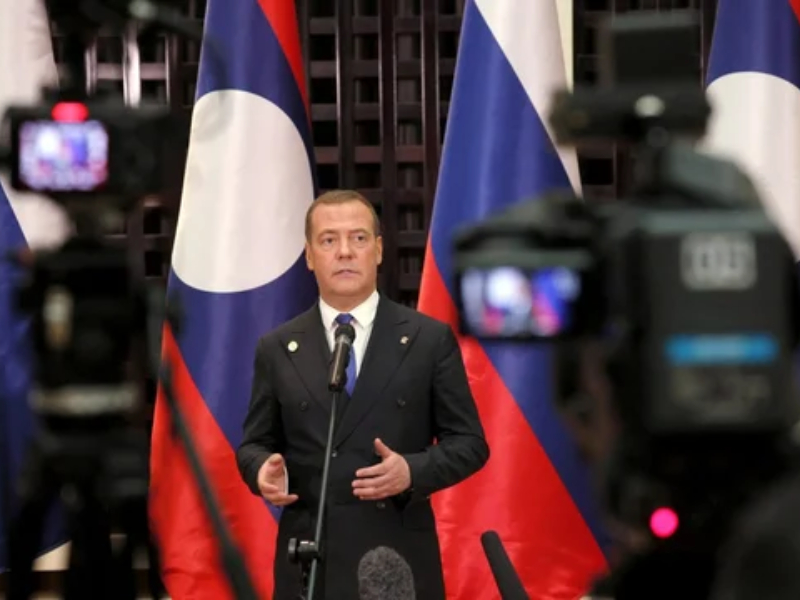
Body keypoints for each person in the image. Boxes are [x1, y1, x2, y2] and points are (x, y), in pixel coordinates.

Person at [236, 189, 490, 600]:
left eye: (358, 238)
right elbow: (254, 444)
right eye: (328, 240)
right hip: (312, 562)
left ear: (378, 250)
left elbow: (470, 444)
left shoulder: (427, 339)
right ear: (309, 256)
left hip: (398, 560)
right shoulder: (278, 346)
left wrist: (412, 471)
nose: (345, 252)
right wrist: (261, 469)